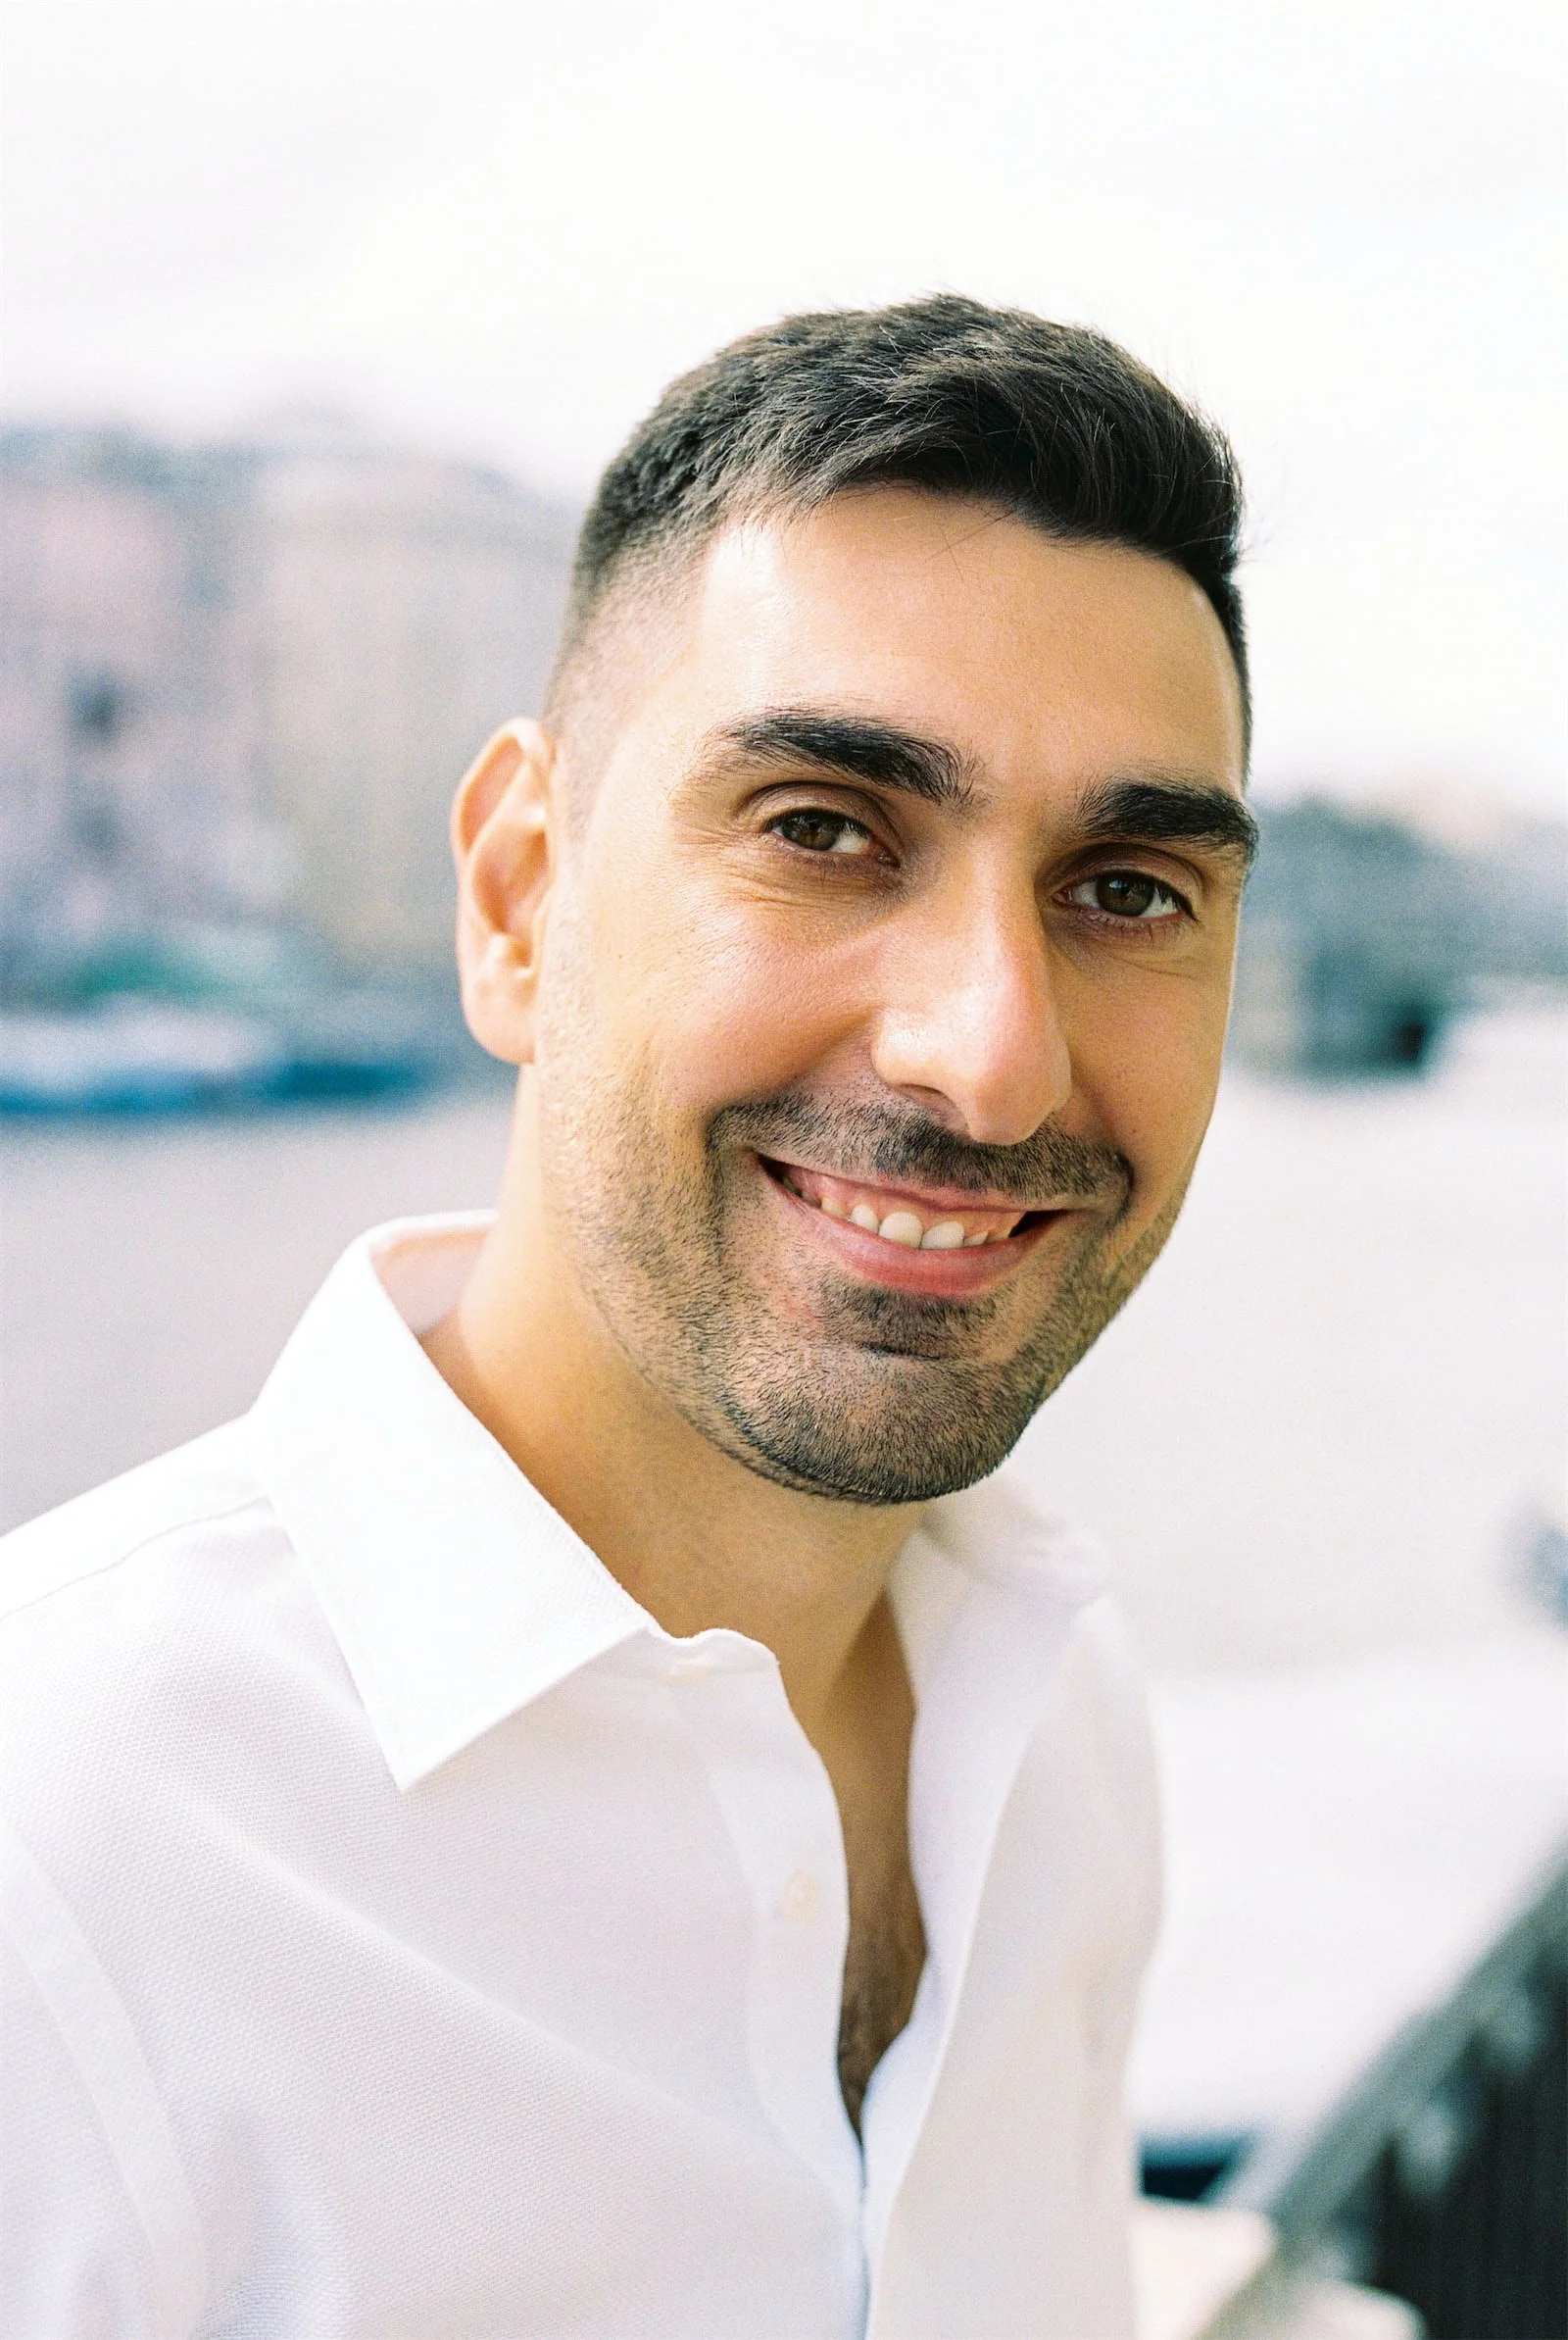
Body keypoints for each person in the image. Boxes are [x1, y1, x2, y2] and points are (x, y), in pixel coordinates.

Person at [0, 295, 1255, 2338]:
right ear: (515, 895)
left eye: (1124, 888)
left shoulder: (1058, 1715)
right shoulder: (56, 1864)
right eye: (823, 830)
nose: (992, 1058)